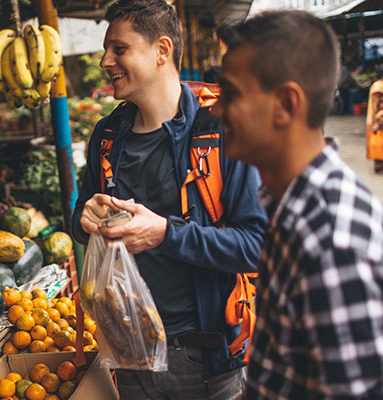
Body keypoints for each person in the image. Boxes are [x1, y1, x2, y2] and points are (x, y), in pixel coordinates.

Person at [71, 1, 267, 398]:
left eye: (119, 49)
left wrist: (165, 234)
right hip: (128, 352)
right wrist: (85, 217)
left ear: (162, 50)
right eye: (106, 50)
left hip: (204, 359)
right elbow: (77, 220)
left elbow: (260, 246)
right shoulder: (107, 136)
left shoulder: (223, 129)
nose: (105, 61)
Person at [212, 10, 383, 398]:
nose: (218, 109)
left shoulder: (329, 242)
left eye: (232, 94)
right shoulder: (290, 210)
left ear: (286, 104)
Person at [366, 65, 383, 173]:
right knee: (378, 141)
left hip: (377, 116)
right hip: (378, 117)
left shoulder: (378, 85)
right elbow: (376, 104)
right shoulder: (379, 86)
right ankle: (379, 165)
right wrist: (377, 119)